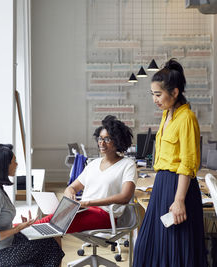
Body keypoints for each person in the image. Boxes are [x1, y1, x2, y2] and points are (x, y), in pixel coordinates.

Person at [133, 59, 207, 267]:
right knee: (147, 245)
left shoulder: (187, 118)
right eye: (153, 95)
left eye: (158, 95)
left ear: (174, 92)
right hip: (162, 185)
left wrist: (179, 200)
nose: (155, 100)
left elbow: (188, 163)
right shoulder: (167, 115)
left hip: (178, 187)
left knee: (175, 248)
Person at [33, 115, 137, 233]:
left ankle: (20, 228)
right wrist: (70, 195)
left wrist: (87, 203)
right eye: (100, 138)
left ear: (118, 141)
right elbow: (72, 187)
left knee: (52, 223)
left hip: (105, 215)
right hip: (84, 210)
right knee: (52, 224)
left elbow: (125, 197)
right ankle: (21, 229)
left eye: (107, 139)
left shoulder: (127, 164)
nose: (102, 143)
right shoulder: (93, 164)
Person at [0, 144, 64, 267]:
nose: (16, 164)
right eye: (14, 162)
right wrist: (17, 229)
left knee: (45, 238)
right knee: (51, 242)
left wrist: (21, 227)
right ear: (3, 166)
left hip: (1, 245)